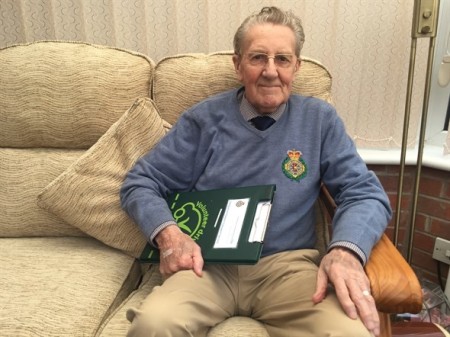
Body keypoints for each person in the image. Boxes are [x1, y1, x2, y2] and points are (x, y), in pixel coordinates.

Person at [120, 6, 392, 337]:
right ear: (238, 65)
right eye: (258, 58)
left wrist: (346, 251)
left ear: (297, 66)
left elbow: (364, 193)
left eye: (282, 59)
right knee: (153, 326)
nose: (270, 71)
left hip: (289, 270)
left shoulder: (319, 121)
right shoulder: (202, 121)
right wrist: (170, 237)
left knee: (351, 334)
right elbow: (141, 182)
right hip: (208, 266)